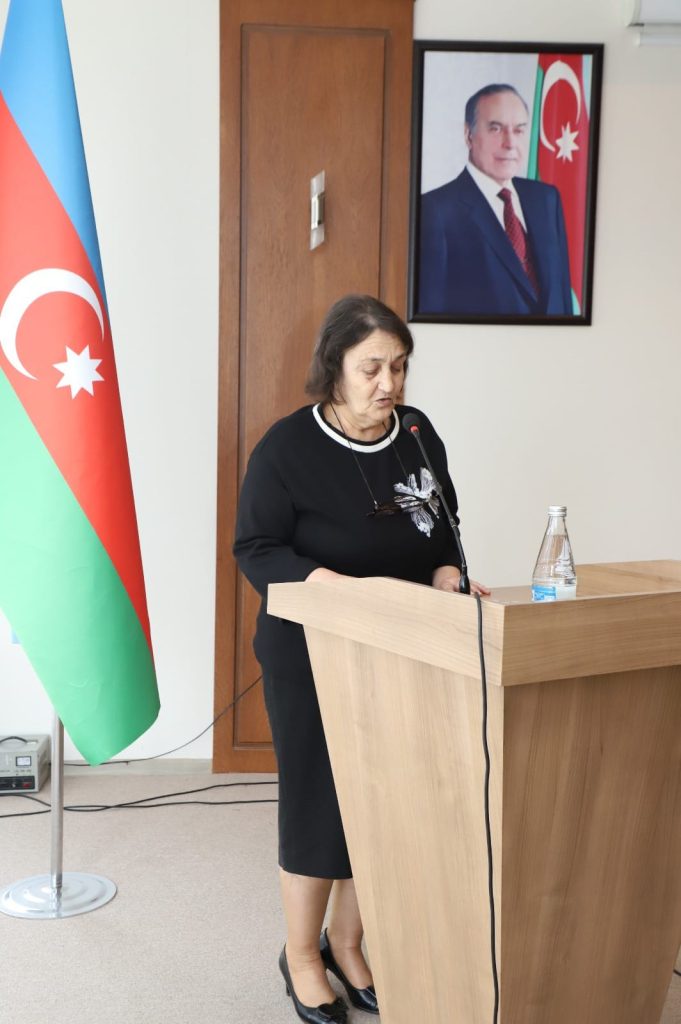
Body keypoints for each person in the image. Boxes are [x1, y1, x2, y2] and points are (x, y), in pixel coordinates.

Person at [233, 294, 489, 1024]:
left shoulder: (416, 433)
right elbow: (256, 548)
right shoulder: (287, 448)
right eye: (371, 368)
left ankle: (348, 945)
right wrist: (335, 590)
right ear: (334, 368)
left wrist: (447, 573)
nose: (389, 383)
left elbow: (443, 529)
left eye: (399, 367)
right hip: (312, 651)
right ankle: (301, 956)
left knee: (384, 805)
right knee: (320, 802)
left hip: (404, 649)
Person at [418, 83, 573, 317]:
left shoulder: (547, 200)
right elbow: (432, 315)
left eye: (519, 130)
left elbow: (562, 299)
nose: (510, 143)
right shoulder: (435, 210)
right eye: (496, 129)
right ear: (468, 135)